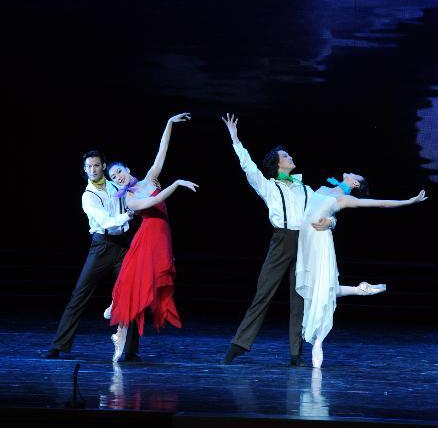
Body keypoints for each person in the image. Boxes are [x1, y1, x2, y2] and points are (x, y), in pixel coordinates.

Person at [221, 113, 339, 366]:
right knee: (263, 292)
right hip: (281, 241)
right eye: (285, 155)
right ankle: (239, 344)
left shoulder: (306, 189)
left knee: (300, 298)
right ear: (277, 164)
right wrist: (235, 139)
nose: (290, 156)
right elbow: (248, 166)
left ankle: (296, 353)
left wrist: (331, 222)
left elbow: (330, 211)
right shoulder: (269, 186)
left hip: (306, 242)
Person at [297, 173, 427, 368]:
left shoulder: (346, 199)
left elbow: (380, 204)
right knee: (318, 288)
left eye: (354, 174)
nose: (349, 172)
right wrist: (332, 220)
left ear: (355, 182)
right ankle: (360, 290)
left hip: (319, 242)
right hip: (305, 240)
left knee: (321, 288)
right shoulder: (323, 188)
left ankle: (318, 341)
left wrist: (409, 201)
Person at [105, 113, 198, 362]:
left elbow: (162, 151)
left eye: (119, 172)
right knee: (137, 285)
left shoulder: (150, 178)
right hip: (147, 239)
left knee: (149, 285)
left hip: (161, 238)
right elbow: (155, 200)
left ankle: (119, 328)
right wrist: (177, 182)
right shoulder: (129, 199)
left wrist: (168, 123)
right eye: (113, 177)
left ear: (127, 169)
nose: (118, 177)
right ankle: (120, 327)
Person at [45, 149, 141, 361]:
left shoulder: (116, 185)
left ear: (103, 166)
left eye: (96, 165)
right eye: (89, 166)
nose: (93, 169)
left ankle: (131, 350)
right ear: (85, 169)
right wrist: (129, 214)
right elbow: (106, 221)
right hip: (101, 246)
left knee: (130, 296)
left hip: (123, 246)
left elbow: (136, 195)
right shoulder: (88, 196)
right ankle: (58, 344)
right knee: (79, 294)